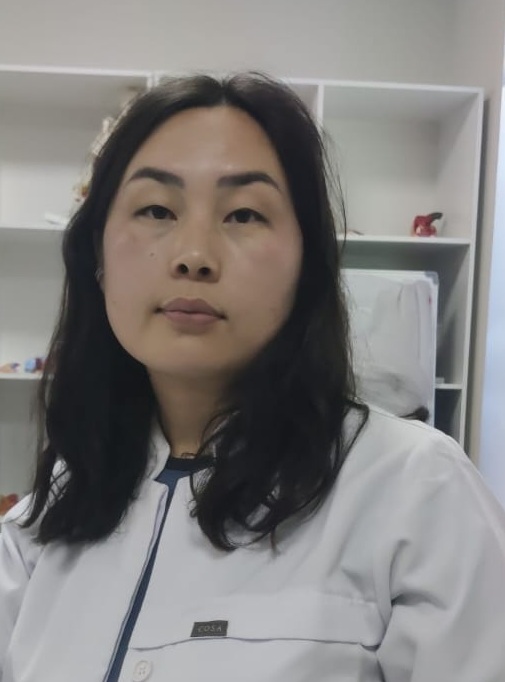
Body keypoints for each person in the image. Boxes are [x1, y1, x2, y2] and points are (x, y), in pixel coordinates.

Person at [0, 72, 504, 682]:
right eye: (156, 209)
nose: (193, 255)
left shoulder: (415, 492)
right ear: (97, 258)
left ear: (307, 265)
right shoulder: (53, 513)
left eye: (243, 214)